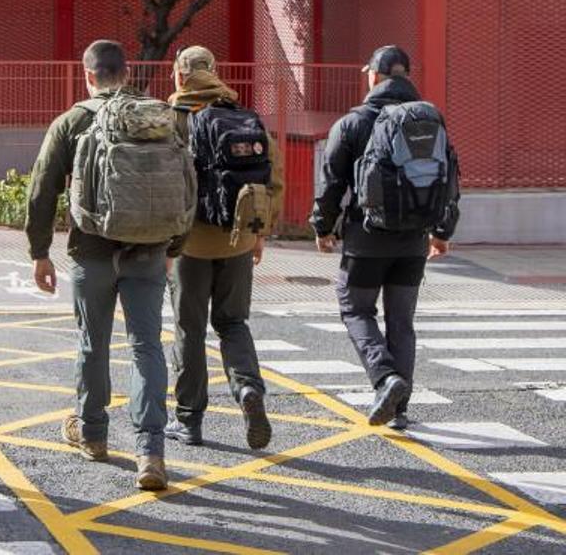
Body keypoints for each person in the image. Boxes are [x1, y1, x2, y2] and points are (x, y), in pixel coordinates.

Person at [25, 40, 193, 492]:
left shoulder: (73, 120)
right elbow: (188, 185)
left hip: (92, 251)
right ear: (127, 71)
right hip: (150, 251)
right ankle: (151, 450)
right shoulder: (161, 118)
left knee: (92, 343)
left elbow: (42, 189)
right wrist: (175, 245)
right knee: (146, 347)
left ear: (88, 75)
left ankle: (94, 434)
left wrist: (39, 251)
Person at [311, 45, 460, 429]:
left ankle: (385, 378)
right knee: (401, 321)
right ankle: (401, 408)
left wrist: (323, 227)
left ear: (374, 76)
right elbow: (452, 179)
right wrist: (442, 232)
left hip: (366, 239)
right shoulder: (431, 119)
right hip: (413, 240)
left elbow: (331, 183)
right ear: (406, 76)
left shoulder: (353, 123)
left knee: (355, 308)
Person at [166, 46, 284, 450]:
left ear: (181, 76)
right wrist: (259, 232)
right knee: (233, 323)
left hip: (189, 245)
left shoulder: (174, 118)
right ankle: (248, 389)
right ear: (214, 73)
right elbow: (274, 176)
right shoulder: (245, 116)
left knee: (190, 329)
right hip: (238, 240)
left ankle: (190, 420)